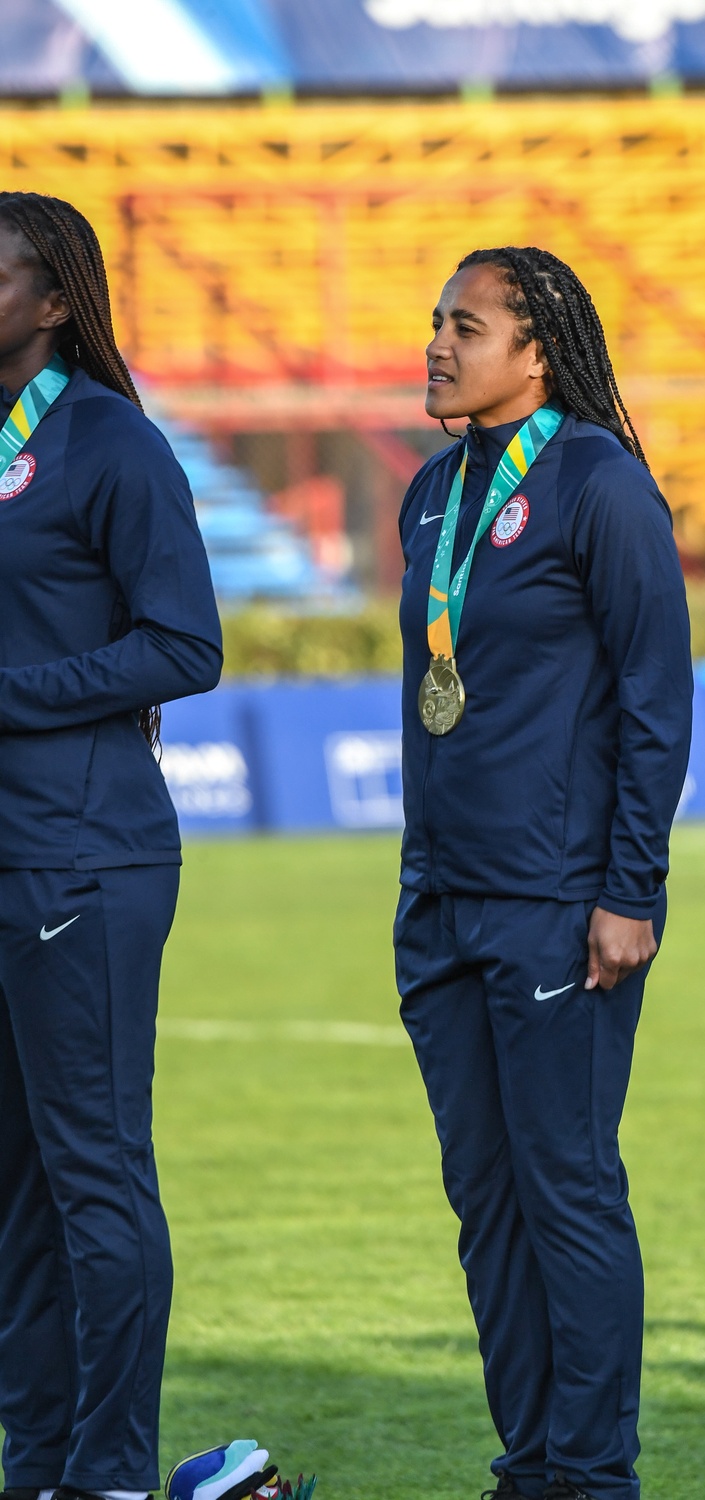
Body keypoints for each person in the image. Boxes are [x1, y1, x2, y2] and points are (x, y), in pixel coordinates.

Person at [393, 246, 693, 1500]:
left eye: (467, 326)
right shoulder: (428, 491)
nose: (438, 344)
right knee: (485, 1198)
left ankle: (594, 1471)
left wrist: (630, 890)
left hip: (558, 902)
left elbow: (654, 700)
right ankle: (528, 1463)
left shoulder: (597, 483)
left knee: (565, 1187)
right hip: (440, 900)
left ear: (534, 352)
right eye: (435, 322)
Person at [0, 194, 222, 1500]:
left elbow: (185, 646)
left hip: (86, 856)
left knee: (92, 1179)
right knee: (15, 1199)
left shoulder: (110, 444)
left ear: (56, 300)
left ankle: (113, 1472)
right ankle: (38, 1468)